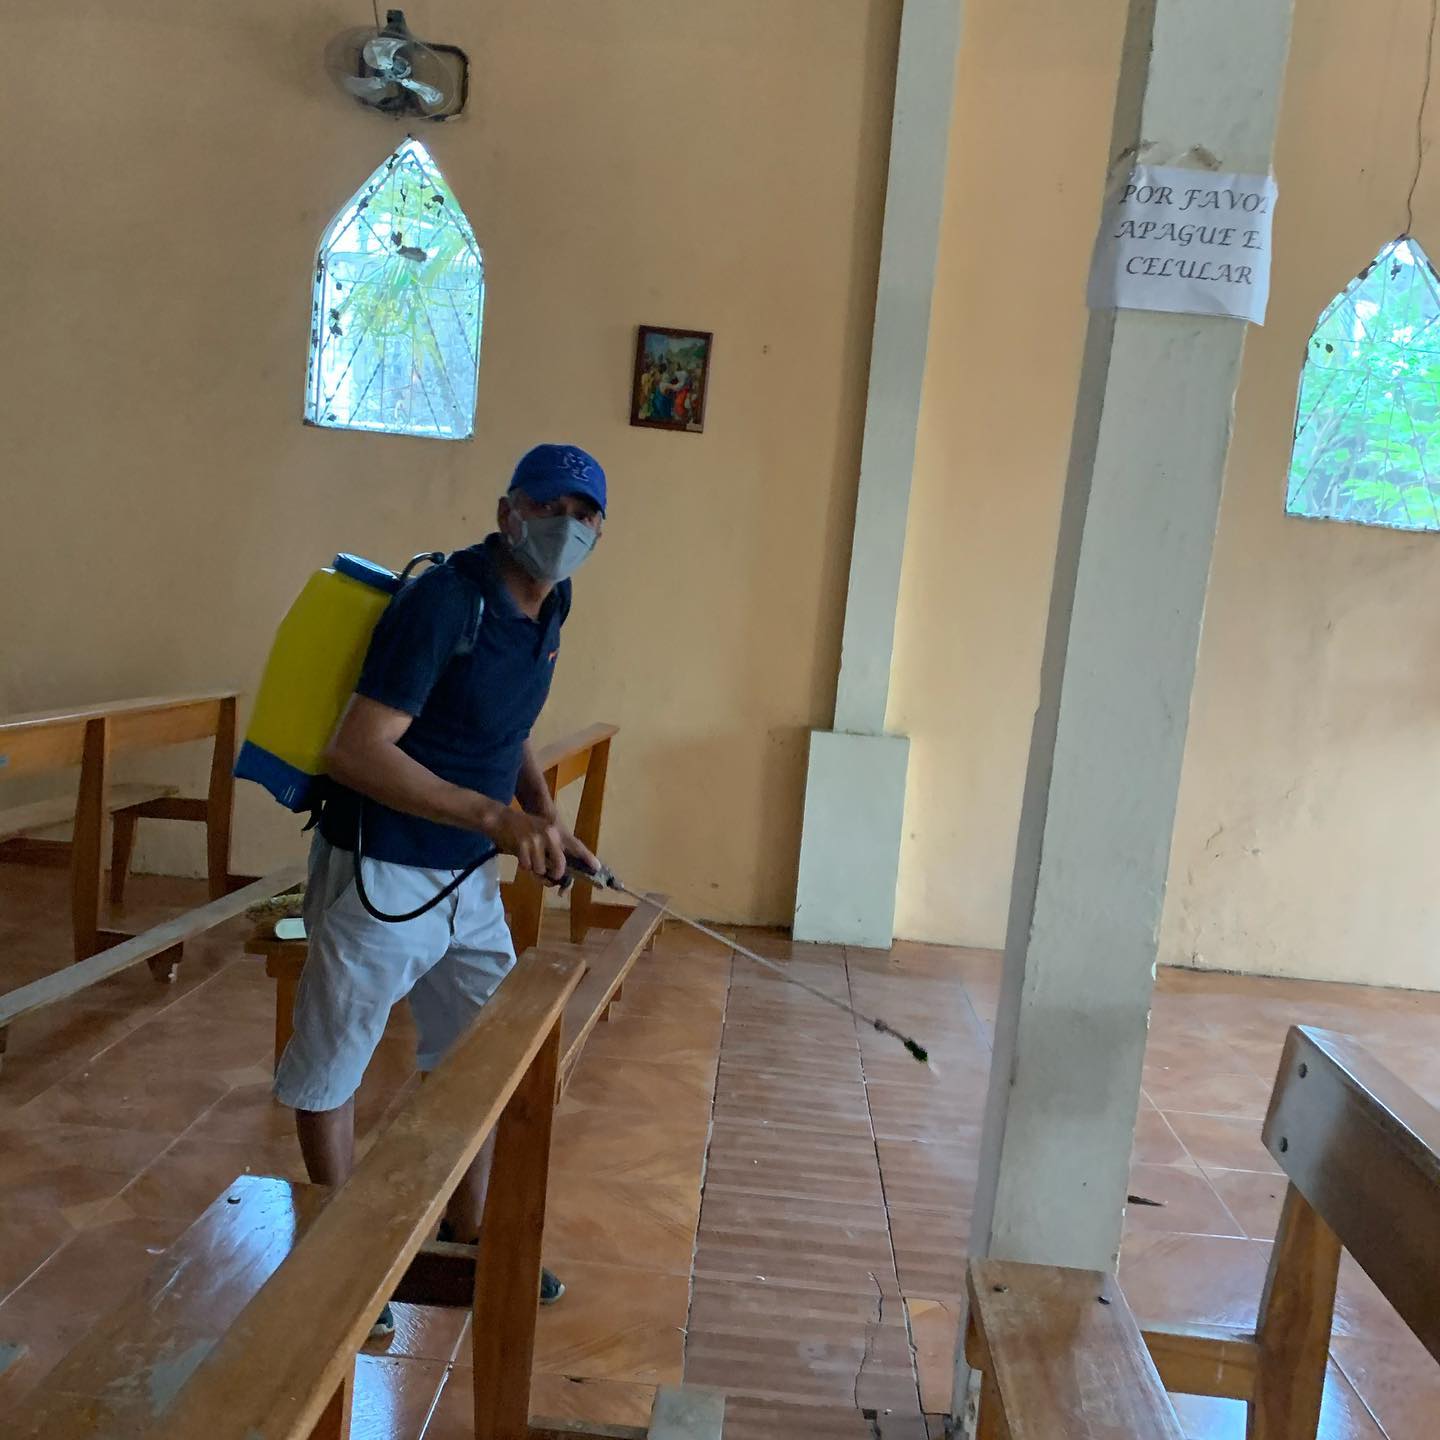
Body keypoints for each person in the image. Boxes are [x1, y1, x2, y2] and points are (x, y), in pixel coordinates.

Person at [272, 443, 608, 1340]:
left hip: (467, 875)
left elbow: (510, 724)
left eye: (585, 515)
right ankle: (341, 1254)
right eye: (550, 507)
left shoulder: (552, 603)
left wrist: (543, 816)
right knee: (334, 1059)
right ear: (508, 513)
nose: (567, 528)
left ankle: (468, 1231)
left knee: (481, 1055)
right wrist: (497, 819)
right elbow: (358, 749)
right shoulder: (445, 602)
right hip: (381, 867)